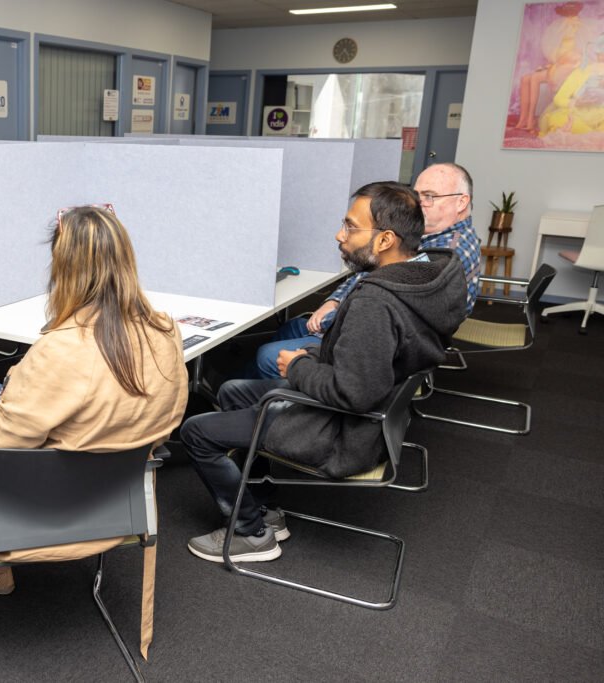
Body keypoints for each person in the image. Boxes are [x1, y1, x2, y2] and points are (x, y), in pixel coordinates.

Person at [181, 182, 466, 563]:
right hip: (371, 414)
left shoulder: (376, 303)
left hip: (345, 431)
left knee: (197, 432)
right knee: (233, 390)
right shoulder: (429, 277)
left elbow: (354, 393)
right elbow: (371, 358)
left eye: (350, 227)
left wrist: (298, 366)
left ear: (385, 240)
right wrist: (316, 355)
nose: (339, 235)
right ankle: (263, 507)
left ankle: (250, 533)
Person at [0, 205, 189, 594]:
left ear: (65, 269)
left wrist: (9, 396)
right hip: (115, 504)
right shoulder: (165, 332)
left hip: (48, 509)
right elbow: (164, 423)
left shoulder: (62, 350)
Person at [250, 162, 479, 379]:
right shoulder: (433, 242)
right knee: (291, 327)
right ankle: (249, 390)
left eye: (429, 196)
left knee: (268, 356)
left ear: (461, 202)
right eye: (416, 195)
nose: (418, 204)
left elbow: (378, 313)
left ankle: (266, 398)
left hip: (376, 347)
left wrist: (329, 320)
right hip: (368, 329)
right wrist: (334, 300)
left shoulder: (445, 255)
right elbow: (371, 271)